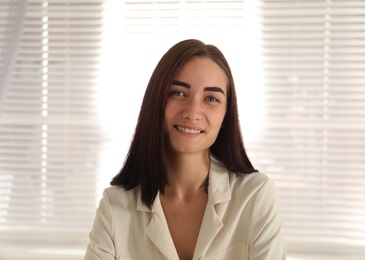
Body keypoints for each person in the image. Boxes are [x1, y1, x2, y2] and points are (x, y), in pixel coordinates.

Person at [84, 39, 286, 260]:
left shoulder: (255, 196)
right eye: (178, 93)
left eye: (211, 98)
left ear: (226, 116)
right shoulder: (115, 206)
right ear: (156, 101)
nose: (192, 112)